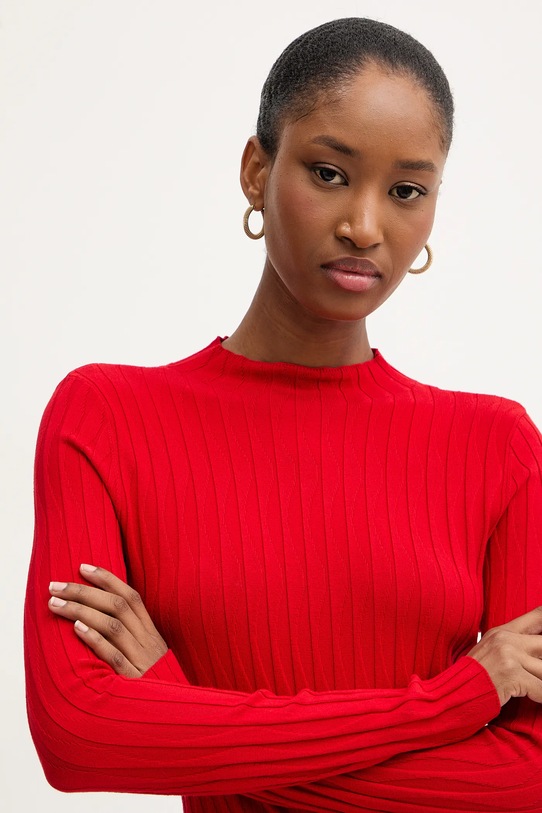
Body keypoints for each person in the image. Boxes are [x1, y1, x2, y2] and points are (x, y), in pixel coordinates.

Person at [24, 17, 542, 813]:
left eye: (406, 191)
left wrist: (177, 708)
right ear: (256, 170)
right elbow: (76, 735)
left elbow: (527, 774)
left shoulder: (498, 447)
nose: (364, 226)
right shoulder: (106, 419)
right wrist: (451, 700)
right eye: (329, 173)